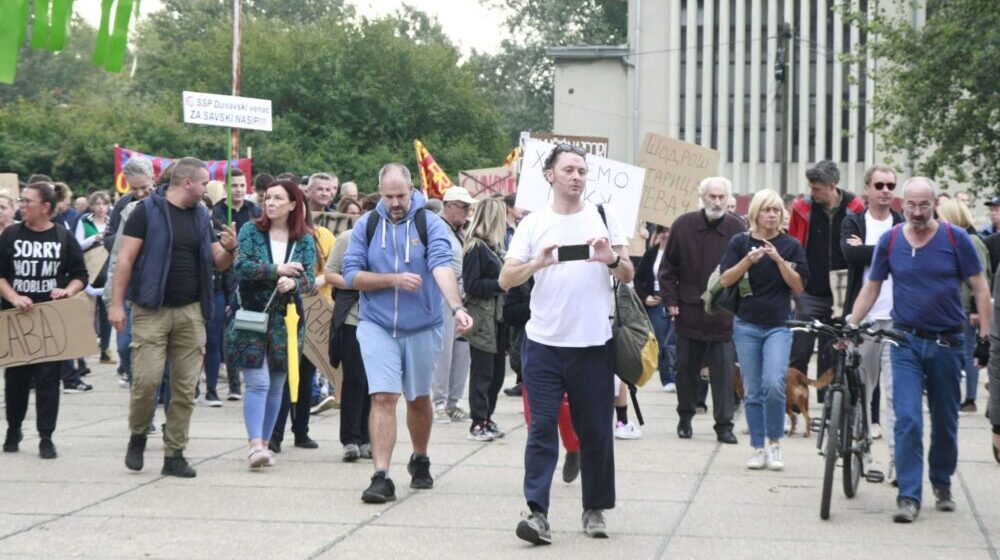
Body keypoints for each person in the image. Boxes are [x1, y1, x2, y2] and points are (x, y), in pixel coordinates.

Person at [499, 143, 634, 544]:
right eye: (569, 170)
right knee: (541, 428)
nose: (577, 176)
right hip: (543, 344)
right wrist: (537, 263)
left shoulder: (605, 217)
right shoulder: (533, 223)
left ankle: (595, 509)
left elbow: (627, 274)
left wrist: (610, 258)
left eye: (582, 170)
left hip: (593, 343)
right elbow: (507, 280)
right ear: (550, 175)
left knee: (595, 431)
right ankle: (537, 513)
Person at [848, 177, 991, 523]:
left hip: (946, 342)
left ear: (934, 205)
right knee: (907, 418)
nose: (916, 212)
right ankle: (908, 496)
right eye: (910, 205)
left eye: (923, 205)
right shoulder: (891, 240)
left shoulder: (956, 239)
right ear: (902, 204)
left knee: (944, 421)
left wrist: (985, 339)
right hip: (905, 341)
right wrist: (852, 322)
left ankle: (941, 482)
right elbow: (872, 287)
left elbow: (981, 288)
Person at [342, 163, 472, 504]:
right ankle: (381, 476)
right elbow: (351, 274)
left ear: (412, 189)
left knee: (418, 399)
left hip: (423, 325)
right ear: (380, 192)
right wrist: (393, 280)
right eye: (388, 196)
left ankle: (420, 457)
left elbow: (441, 266)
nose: (395, 202)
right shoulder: (367, 225)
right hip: (376, 324)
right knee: (383, 397)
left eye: (401, 195)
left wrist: (457, 308)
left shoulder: (430, 225)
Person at [110, 157, 238, 478]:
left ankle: (175, 453)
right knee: (147, 380)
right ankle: (138, 434)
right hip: (151, 309)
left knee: (184, 387)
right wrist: (115, 304)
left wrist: (230, 249)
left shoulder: (201, 215)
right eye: (204, 181)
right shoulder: (146, 212)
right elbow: (124, 260)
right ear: (187, 183)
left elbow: (216, 262)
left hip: (192, 310)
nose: (208, 187)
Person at [227, 179, 316, 468]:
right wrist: (276, 269)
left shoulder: (304, 238)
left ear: (293, 205)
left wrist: (295, 281)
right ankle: (254, 445)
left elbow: (310, 279)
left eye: (278, 198)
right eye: (268, 198)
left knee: (278, 382)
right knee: (258, 381)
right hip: (252, 315)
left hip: (287, 320)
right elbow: (241, 267)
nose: (271, 203)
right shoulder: (252, 230)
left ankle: (264, 445)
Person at [720, 189, 808, 471]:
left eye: (777, 210)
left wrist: (779, 260)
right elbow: (725, 279)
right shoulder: (740, 242)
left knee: (773, 384)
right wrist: (748, 260)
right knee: (753, 389)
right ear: (756, 213)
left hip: (778, 326)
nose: (772, 215)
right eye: (767, 210)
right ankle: (758, 447)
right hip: (746, 324)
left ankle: (775, 443)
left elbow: (798, 286)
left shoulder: (791, 245)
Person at [0, 182, 88, 459]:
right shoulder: (11, 234)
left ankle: (46, 437)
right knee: (16, 379)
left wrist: (67, 291)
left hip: (51, 318)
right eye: (21, 201)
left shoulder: (62, 237)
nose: (22, 205)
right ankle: (13, 429)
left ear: (45, 207)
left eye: (27, 201)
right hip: (17, 317)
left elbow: (80, 274)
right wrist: (14, 296)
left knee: (50, 380)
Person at [659, 177, 745, 443]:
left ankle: (724, 425)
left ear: (728, 198)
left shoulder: (737, 228)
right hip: (688, 311)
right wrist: (670, 300)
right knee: (685, 371)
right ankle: (685, 417)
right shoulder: (683, 225)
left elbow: (745, 272)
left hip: (722, 315)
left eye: (721, 197)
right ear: (702, 197)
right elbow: (667, 270)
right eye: (712, 196)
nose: (716, 202)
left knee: (722, 372)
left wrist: (740, 306)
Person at [841, 165, 904, 479]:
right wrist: (891, 250)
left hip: (897, 320)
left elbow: (909, 256)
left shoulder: (903, 223)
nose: (885, 190)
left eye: (891, 185)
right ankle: (862, 453)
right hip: (863, 319)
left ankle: (896, 461)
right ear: (867, 189)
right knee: (861, 392)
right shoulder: (853, 221)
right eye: (879, 184)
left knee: (895, 394)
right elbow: (849, 257)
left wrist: (870, 250)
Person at [788, 161, 865, 394]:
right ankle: (792, 401)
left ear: (832, 186)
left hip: (841, 290)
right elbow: (793, 243)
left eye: (817, 188)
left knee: (831, 350)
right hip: (809, 289)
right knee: (799, 350)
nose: (812, 192)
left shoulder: (855, 207)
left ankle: (829, 403)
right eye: (811, 187)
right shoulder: (802, 207)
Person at [325, 194, 380, 462]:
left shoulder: (392, 240)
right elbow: (330, 273)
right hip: (353, 318)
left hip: (382, 320)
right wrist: (357, 282)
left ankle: (368, 437)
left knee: (375, 382)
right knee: (355, 377)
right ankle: (350, 439)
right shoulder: (347, 238)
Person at [936, 199, 992, 413]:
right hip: (959, 306)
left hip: (968, 308)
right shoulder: (958, 239)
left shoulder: (971, 240)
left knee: (969, 352)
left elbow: (980, 280)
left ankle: (969, 398)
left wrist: (976, 309)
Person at [462, 197, 508, 440]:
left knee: (497, 371)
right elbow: (471, 285)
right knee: (483, 371)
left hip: (497, 316)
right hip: (482, 316)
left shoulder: (494, 248)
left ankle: (487, 416)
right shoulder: (475, 248)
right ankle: (478, 420)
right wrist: (500, 284)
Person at [432, 186, 476, 425]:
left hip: (462, 296)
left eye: (468, 207)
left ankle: (453, 402)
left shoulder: (458, 231)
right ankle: (439, 402)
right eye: (463, 207)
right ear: (448, 206)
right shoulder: (437, 229)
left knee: (461, 350)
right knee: (444, 351)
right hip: (443, 296)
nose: (467, 212)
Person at [75, 190, 115, 364]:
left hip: (106, 270)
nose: (101, 208)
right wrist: (94, 238)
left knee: (106, 313)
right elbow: (77, 245)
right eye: (97, 204)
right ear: (92, 206)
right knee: (88, 314)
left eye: (104, 204)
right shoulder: (84, 221)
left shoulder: (111, 222)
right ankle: (83, 355)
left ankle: (105, 350)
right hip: (90, 270)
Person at [635, 226, 676, 391]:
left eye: (669, 231)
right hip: (656, 302)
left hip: (674, 299)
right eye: (662, 231)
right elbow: (638, 279)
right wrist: (645, 297)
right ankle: (667, 379)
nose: (666, 235)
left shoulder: (679, 253)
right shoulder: (651, 254)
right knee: (661, 341)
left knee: (675, 341)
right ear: (658, 234)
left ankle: (679, 376)